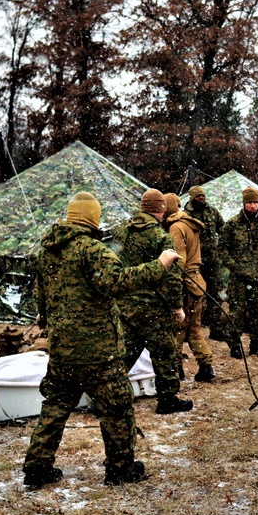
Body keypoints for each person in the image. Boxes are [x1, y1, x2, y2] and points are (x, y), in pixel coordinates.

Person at [22, 192, 181, 488]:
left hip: (62, 350)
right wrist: (160, 265)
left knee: (55, 407)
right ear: (93, 218)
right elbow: (118, 282)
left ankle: (37, 467)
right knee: (118, 408)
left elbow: (40, 299)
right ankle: (120, 469)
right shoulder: (93, 250)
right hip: (98, 351)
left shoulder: (47, 252)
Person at [115, 189, 193, 414]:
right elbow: (171, 276)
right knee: (164, 353)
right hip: (153, 308)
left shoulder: (122, 232)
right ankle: (167, 399)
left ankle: (107, 398)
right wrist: (177, 306)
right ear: (160, 210)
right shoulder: (160, 237)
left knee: (124, 354)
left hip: (125, 306)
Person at [219, 186, 258, 359]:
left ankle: (257, 345)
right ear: (244, 204)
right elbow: (222, 249)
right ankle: (235, 345)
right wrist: (235, 267)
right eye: (249, 203)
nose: (253, 206)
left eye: (255, 202)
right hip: (239, 279)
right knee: (236, 313)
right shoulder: (232, 224)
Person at [164, 193, 216, 383]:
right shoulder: (189, 224)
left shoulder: (176, 228)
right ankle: (206, 366)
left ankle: (176, 370)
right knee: (194, 328)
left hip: (186, 284)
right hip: (197, 281)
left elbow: (179, 261)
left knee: (177, 329)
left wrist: (174, 287)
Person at [184, 186, 227, 342]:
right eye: (198, 196)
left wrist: (221, 247)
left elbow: (224, 229)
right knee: (194, 295)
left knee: (216, 293)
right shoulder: (186, 215)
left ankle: (216, 328)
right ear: (192, 198)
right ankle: (191, 330)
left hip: (213, 260)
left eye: (203, 195)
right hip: (195, 261)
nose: (201, 198)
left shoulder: (212, 211)